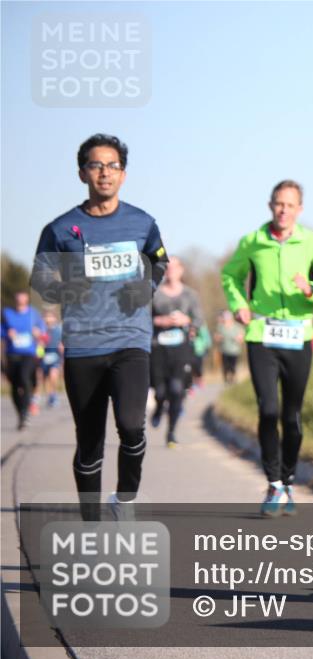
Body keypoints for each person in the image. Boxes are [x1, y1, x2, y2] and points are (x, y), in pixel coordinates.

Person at [31, 133, 169, 520]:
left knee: (131, 425)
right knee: (89, 441)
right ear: (82, 173)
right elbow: (41, 278)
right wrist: (63, 288)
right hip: (83, 345)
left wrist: (145, 288)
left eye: (112, 166)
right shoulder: (60, 229)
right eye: (96, 165)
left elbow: (160, 263)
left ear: (123, 175)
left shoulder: (143, 223)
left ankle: (124, 500)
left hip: (130, 341)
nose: (104, 173)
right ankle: (91, 525)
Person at [221, 180, 313, 517]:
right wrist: (238, 304)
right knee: (268, 410)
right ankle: (274, 483)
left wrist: (311, 290)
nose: (283, 210)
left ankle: (288, 479)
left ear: (300, 209)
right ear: (270, 205)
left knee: (291, 416)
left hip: (298, 337)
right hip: (261, 334)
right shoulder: (253, 242)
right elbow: (229, 277)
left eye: (290, 205)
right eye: (278, 203)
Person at [150, 257, 202, 448]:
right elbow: (143, 319)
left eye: (175, 267)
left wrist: (185, 320)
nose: (171, 270)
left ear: (181, 270)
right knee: (161, 390)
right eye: (167, 267)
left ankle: (171, 433)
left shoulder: (191, 295)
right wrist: (160, 321)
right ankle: (157, 408)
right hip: (158, 348)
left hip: (181, 349)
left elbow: (199, 321)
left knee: (177, 389)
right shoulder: (154, 293)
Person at [2, 290, 46, 430]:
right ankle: (21, 413)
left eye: (23, 300)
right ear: (15, 300)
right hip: (12, 353)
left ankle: (26, 410)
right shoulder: (6, 313)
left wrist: (38, 334)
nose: (20, 302)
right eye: (18, 300)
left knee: (24, 378)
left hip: (29, 353)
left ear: (26, 300)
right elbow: (1, 330)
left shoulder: (34, 314)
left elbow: (44, 334)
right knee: (14, 384)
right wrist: (7, 333)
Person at [40, 309, 64, 407]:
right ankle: (50, 396)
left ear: (54, 318)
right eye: (46, 317)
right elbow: (38, 344)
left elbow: (63, 342)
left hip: (55, 356)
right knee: (45, 378)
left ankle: (54, 395)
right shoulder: (42, 330)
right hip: (44, 356)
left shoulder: (59, 329)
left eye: (50, 317)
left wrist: (62, 348)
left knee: (53, 375)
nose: (48, 319)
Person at [215, 310, 244, 384]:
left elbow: (242, 337)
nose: (226, 320)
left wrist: (239, 339)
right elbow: (216, 337)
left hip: (234, 350)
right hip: (224, 350)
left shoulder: (237, 326)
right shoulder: (220, 327)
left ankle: (233, 378)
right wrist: (219, 338)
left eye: (228, 318)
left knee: (232, 366)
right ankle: (226, 379)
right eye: (225, 318)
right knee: (225, 366)